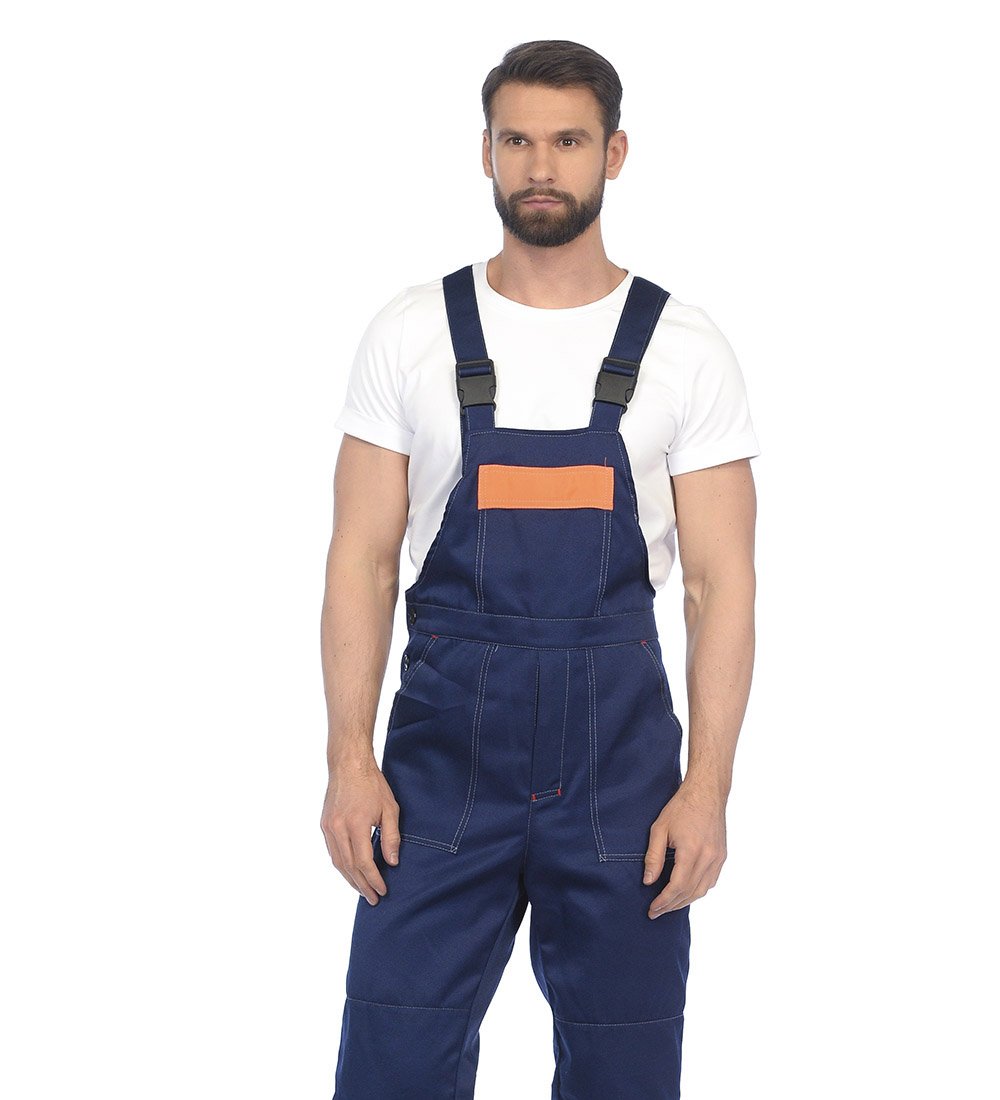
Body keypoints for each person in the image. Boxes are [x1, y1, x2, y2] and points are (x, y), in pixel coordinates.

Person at [320, 39, 759, 1100]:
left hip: (621, 784)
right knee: (390, 1064)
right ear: (485, 152)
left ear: (614, 152)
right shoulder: (411, 333)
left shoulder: (685, 346)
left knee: (625, 1072)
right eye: (516, 140)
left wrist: (707, 789)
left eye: (567, 141)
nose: (541, 166)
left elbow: (721, 587)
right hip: (437, 779)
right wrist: (346, 758)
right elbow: (361, 561)